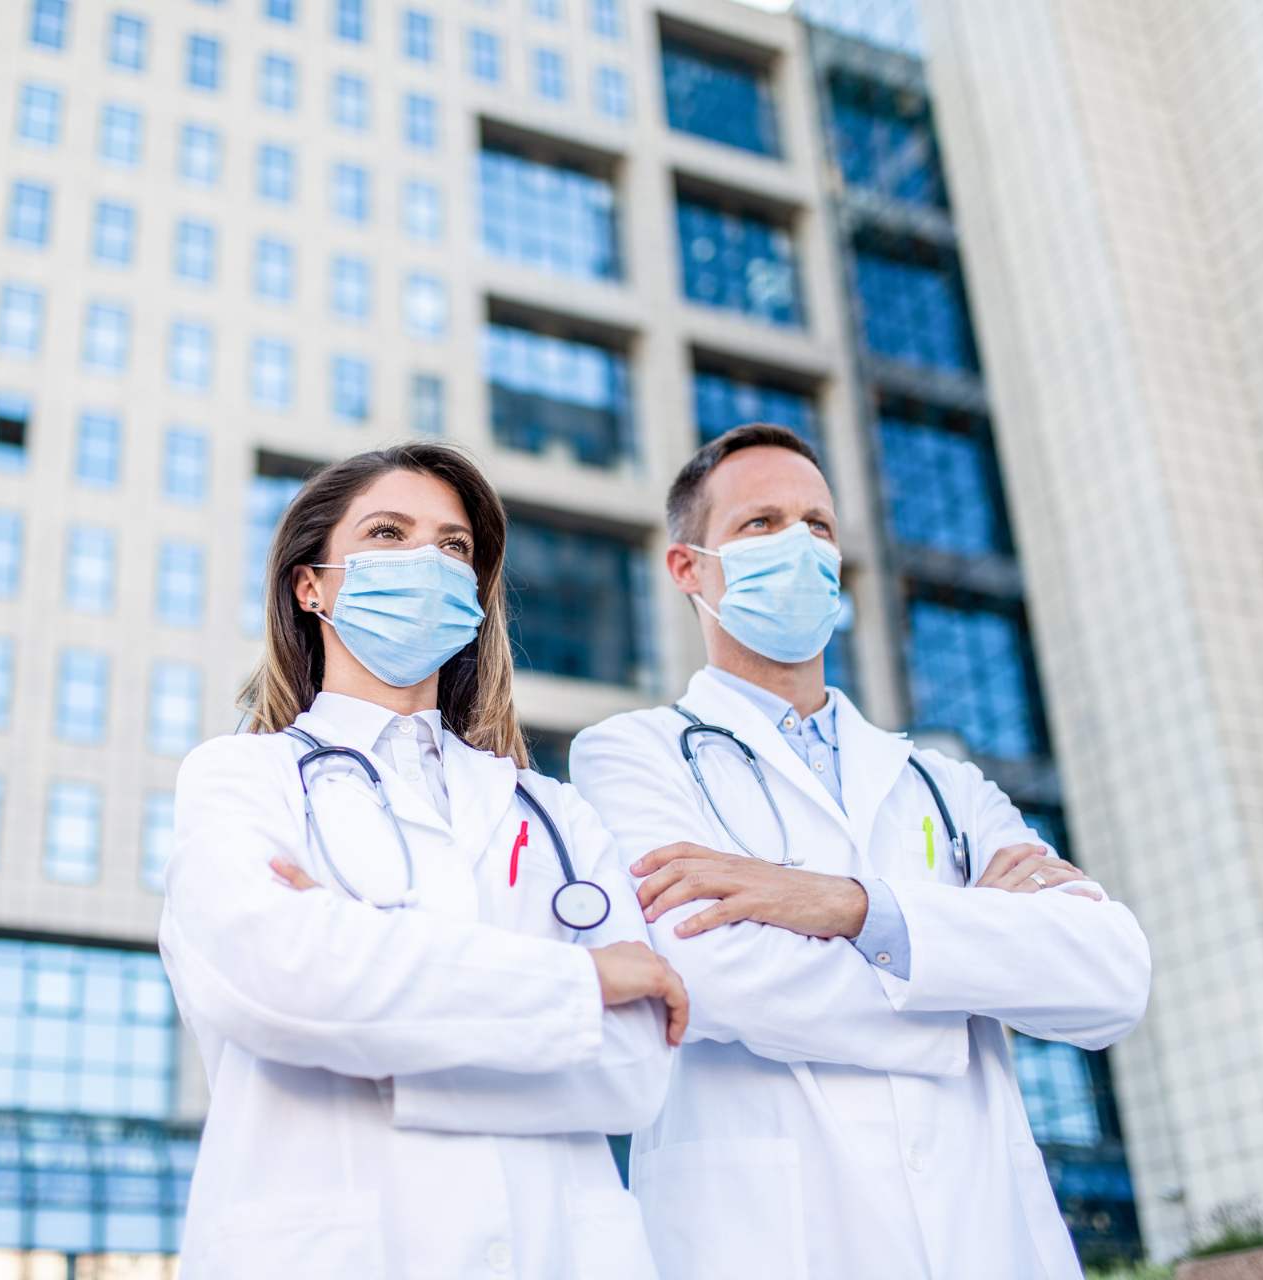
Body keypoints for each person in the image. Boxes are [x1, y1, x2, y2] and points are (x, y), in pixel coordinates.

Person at [571, 424, 1152, 1280]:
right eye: (761, 524)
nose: (800, 546)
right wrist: (973, 962)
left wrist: (850, 907)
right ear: (689, 569)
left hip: (983, 1237)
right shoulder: (630, 753)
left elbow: (1112, 975)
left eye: (819, 525)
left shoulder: (945, 782)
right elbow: (715, 975)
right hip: (772, 1240)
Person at [161, 441, 685, 1280]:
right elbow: (279, 979)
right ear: (312, 585)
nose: (427, 562)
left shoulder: (553, 812)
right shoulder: (239, 778)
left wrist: (370, 1025)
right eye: (388, 534)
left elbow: (632, 1072)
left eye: (453, 547)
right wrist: (582, 984)